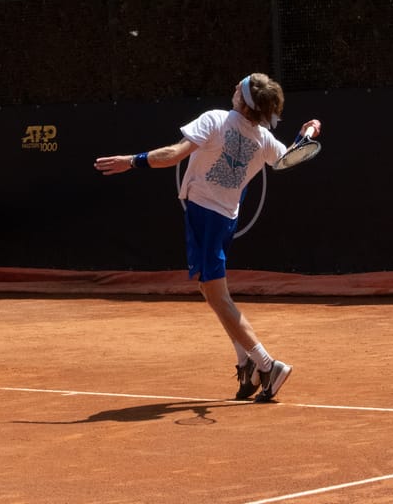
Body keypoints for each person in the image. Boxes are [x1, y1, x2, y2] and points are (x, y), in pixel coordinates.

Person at [94, 72, 321, 403]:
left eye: (238, 88)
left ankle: (267, 365)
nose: (233, 88)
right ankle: (246, 362)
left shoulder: (216, 119)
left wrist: (132, 161)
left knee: (217, 296)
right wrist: (306, 133)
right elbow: (285, 160)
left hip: (205, 218)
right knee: (210, 289)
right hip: (224, 219)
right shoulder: (264, 140)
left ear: (243, 100)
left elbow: (173, 155)